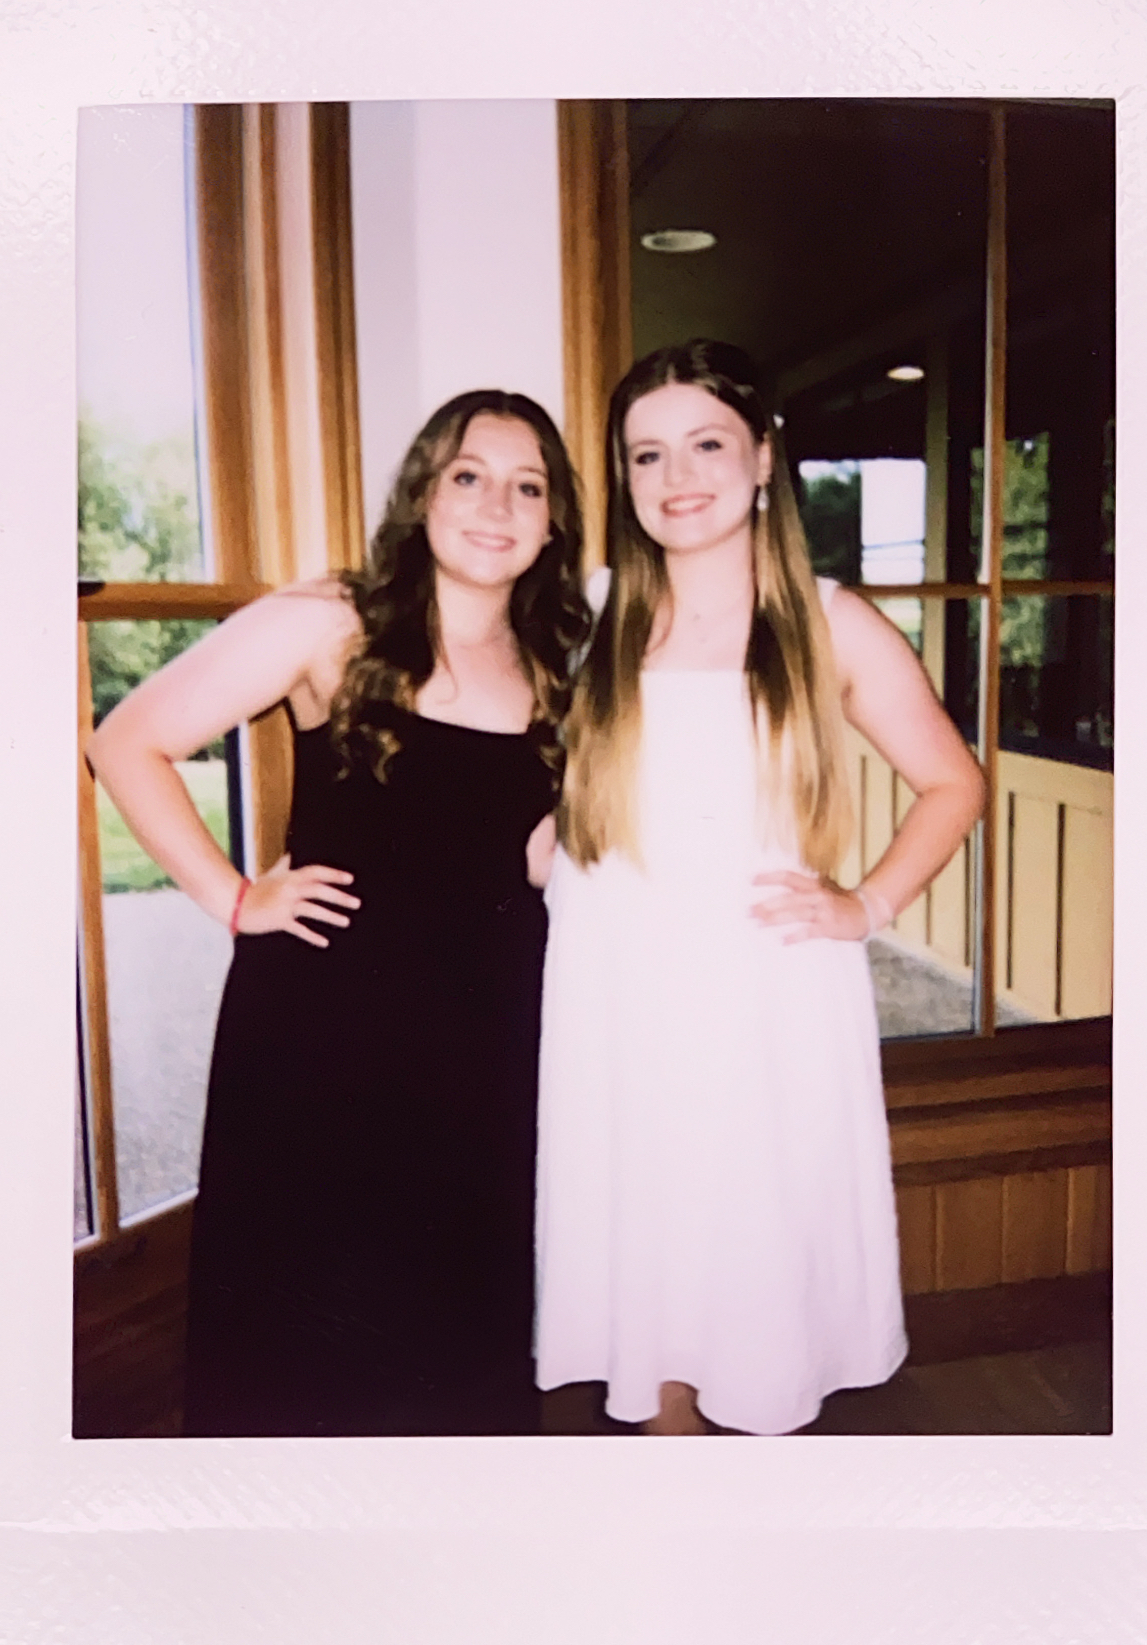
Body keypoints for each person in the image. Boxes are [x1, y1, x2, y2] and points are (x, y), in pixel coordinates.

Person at [89, 390, 591, 1437]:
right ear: (423, 494)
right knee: (307, 1333)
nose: (496, 502)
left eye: (527, 484)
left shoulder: (561, 661)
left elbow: (537, 843)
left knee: (460, 1321)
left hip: (489, 1034)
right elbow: (126, 740)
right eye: (468, 475)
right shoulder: (333, 621)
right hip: (326, 1033)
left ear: (553, 521)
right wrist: (233, 897)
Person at [534, 341, 985, 1436]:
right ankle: (667, 1457)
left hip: (756, 982)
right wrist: (550, 828)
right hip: (615, 973)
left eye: (705, 443)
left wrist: (865, 907)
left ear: (763, 458)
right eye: (647, 454)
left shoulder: (828, 619)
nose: (676, 475)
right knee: (646, 1225)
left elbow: (952, 784)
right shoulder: (591, 611)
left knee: (739, 1233)